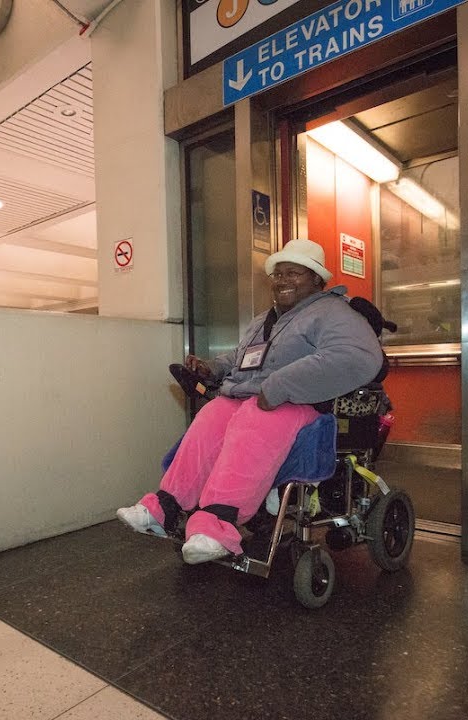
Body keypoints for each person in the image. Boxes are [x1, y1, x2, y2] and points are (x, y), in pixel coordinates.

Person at [116, 237, 386, 564]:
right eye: (278, 274)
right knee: (212, 414)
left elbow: (355, 355)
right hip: (251, 398)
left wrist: (280, 385)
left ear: (317, 279)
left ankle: (217, 525)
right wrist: (212, 368)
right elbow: (241, 359)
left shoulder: (333, 312)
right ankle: (165, 509)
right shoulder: (263, 320)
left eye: (294, 273)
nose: (283, 280)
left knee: (253, 419)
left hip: (298, 406)